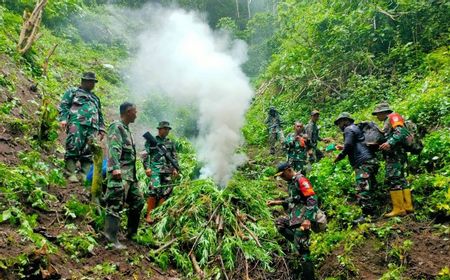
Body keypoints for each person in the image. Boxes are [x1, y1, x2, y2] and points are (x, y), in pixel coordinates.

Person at [267, 163, 326, 280]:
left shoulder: (300, 179)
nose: (282, 178)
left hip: (304, 219)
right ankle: (299, 242)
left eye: (283, 175)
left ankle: (309, 277)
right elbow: (294, 199)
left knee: (303, 253)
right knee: (280, 223)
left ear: (289, 170)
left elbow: (312, 199)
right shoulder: (292, 183)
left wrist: (308, 219)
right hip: (296, 218)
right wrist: (276, 202)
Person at [103, 102, 144, 249]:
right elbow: (113, 147)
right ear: (128, 112)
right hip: (120, 173)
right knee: (115, 203)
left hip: (130, 176)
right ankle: (110, 237)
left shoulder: (127, 129)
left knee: (138, 202)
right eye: (134, 111)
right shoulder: (117, 126)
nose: (136, 114)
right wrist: (115, 168)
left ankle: (131, 234)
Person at [58, 72, 105, 183]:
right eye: (90, 82)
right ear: (83, 81)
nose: (92, 84)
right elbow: (64, 105)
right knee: (73, 145)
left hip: (92, 127)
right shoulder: (73, 92)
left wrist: (101, 128)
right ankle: (70, 172)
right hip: (77, 123)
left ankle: (84, 173)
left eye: (93, 82)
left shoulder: (95, 98)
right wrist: (63, 119)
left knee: (88, 150)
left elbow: (100, 113)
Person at [333, 112, 379, 222]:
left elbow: (348, 145)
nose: (339, 126)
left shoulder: (348, 129)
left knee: (362, 187)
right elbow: (354, 144)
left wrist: (340, 156)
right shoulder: (356, 128)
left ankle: (369, 215)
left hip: (363, 162)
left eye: (339, 123)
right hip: (371, 160)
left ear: (344, 121)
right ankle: (374, 209)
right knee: (370, 186)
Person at [372, 102, 413, 217]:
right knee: (401, 179)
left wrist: (390, 142)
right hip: (396, 154)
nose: (377, 116)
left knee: (394, 179)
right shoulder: (387, 121)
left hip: (396, 155)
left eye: (378, 114)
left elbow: (401, 132)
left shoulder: (393, 117)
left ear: (384, 112)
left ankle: (399, 209)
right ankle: (407, 207)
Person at [143, 121, 179, 224]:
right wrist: (147, 168)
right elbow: (145, 155)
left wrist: (175, 168)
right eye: (165, 129)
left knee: (166, 192)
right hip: (155, 170)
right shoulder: (151, 141)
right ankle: (149, 215)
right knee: (154, 190)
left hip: (167, 171)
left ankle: (157, 214)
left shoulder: (170, 142)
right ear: (160, 129)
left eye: (168, 129)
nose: (167, 131)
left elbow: (174, 157)